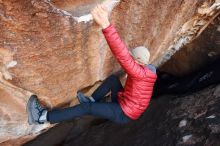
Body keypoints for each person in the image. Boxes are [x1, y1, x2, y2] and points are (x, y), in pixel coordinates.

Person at [27, 4, 157, 125]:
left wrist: (106, 25)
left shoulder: (140, 73)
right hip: (126, 104)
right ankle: (93, 101)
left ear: (139, 62)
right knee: (113, 80)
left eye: (132, 58)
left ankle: (42, 117)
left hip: (124, 113)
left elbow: (122, 55)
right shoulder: (146, 71)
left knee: (86, 108)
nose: (131, 59)